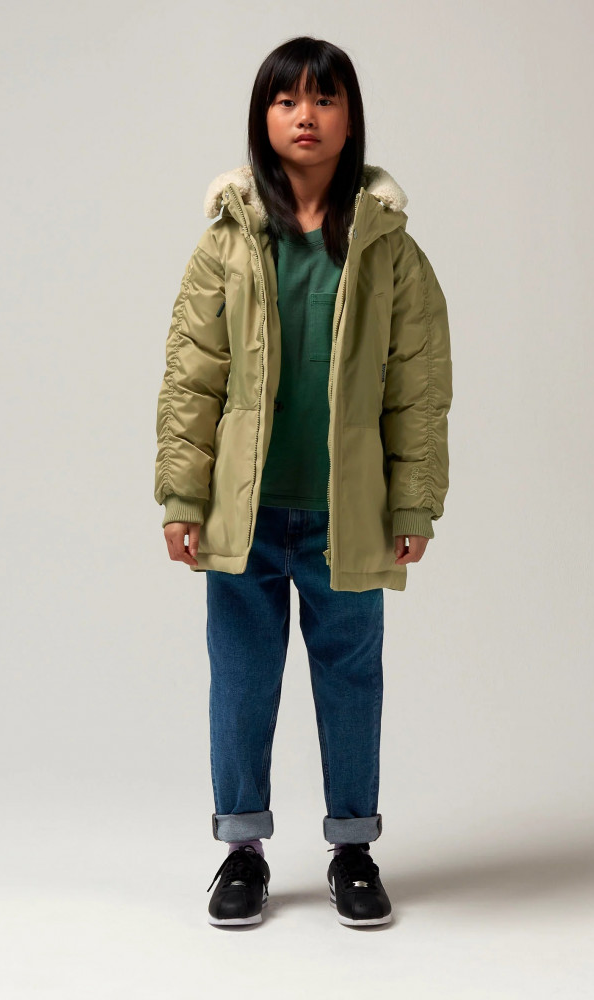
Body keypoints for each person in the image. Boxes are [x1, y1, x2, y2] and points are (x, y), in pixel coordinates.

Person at [154, 36, 452, 928]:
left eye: (325, 99)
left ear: (351, 119)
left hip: (346, 514)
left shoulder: (387, 248)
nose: (306, 116)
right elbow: (191, 377)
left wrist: (413, 500)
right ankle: (241, 853)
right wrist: (182, 496)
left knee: (351, 680)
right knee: (242, 681)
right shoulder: (228, 242)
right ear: (263, 118)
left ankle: (353, 848)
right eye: (287, 101)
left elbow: (418, 388)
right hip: (242, 515)